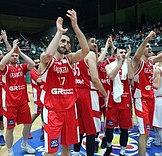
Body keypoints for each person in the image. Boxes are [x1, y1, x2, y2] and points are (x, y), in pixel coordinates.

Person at [39, 9, 89, 156]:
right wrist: (59, 32)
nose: (66, 44)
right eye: (63, 40)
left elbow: (86, 50)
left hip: (69, 110)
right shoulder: (45, 59)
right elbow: (48, 54)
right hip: (53, 111)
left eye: (67, 42)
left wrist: (75, 26)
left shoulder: (70, 59)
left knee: (67, 148)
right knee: (51, 152)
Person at [133, 30, 162, 156]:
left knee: (147, 131)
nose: (150, 47)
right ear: (142, 48)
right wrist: (146, 39)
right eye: (147, 46)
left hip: (151, 98)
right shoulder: (137, 62)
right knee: (144, 132)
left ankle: (143, 151)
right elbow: (137, 56)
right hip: (141, 100)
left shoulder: (151, 61)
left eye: (150, 46)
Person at [0, 39, 35, 156]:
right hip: (10, 104)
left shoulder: (21, 67)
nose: (15, 57)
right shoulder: (5, 69)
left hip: (23, 102)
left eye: (16, 56)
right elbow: (1, 63)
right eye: (13, 56)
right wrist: (11, 51)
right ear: (9, 57)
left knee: (28, 123)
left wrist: (20, 53)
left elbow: (32, 64)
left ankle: (24, 143)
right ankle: (10, 151)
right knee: (10, 128)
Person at [73, 33, 107, 156]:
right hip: (88, 94)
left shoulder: (76, 55)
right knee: (91, 130)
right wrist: (105, 95)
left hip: (76, 94)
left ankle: (76, 153)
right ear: (85, 42)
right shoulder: (90, 54)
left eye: (96, 42)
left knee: (80, 128)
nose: (95, 44)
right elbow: (95, 78)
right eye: (92, 41)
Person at [104, 46, 134, 156]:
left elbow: (131, 76)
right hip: (112, 101)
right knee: (109, 128)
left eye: (125, 52)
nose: (123, 54)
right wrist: (120, 64)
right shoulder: (109, 66)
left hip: (125, 101)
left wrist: (128, 60)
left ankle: (123, 150)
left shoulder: (128, 64)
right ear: (116, 54)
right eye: (121, 52)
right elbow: (111, 76)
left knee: (124, 128)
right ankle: (108, 145)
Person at [28, 58, 44, 140]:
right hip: (37, 96)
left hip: (44, 94)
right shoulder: (33, 71)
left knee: (44, 112)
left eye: (39, 62)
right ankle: (27, 130)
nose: (37, 64)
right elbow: (39, 80)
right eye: (36, 62)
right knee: (36, 113)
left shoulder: (42, 70)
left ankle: (43, 126)